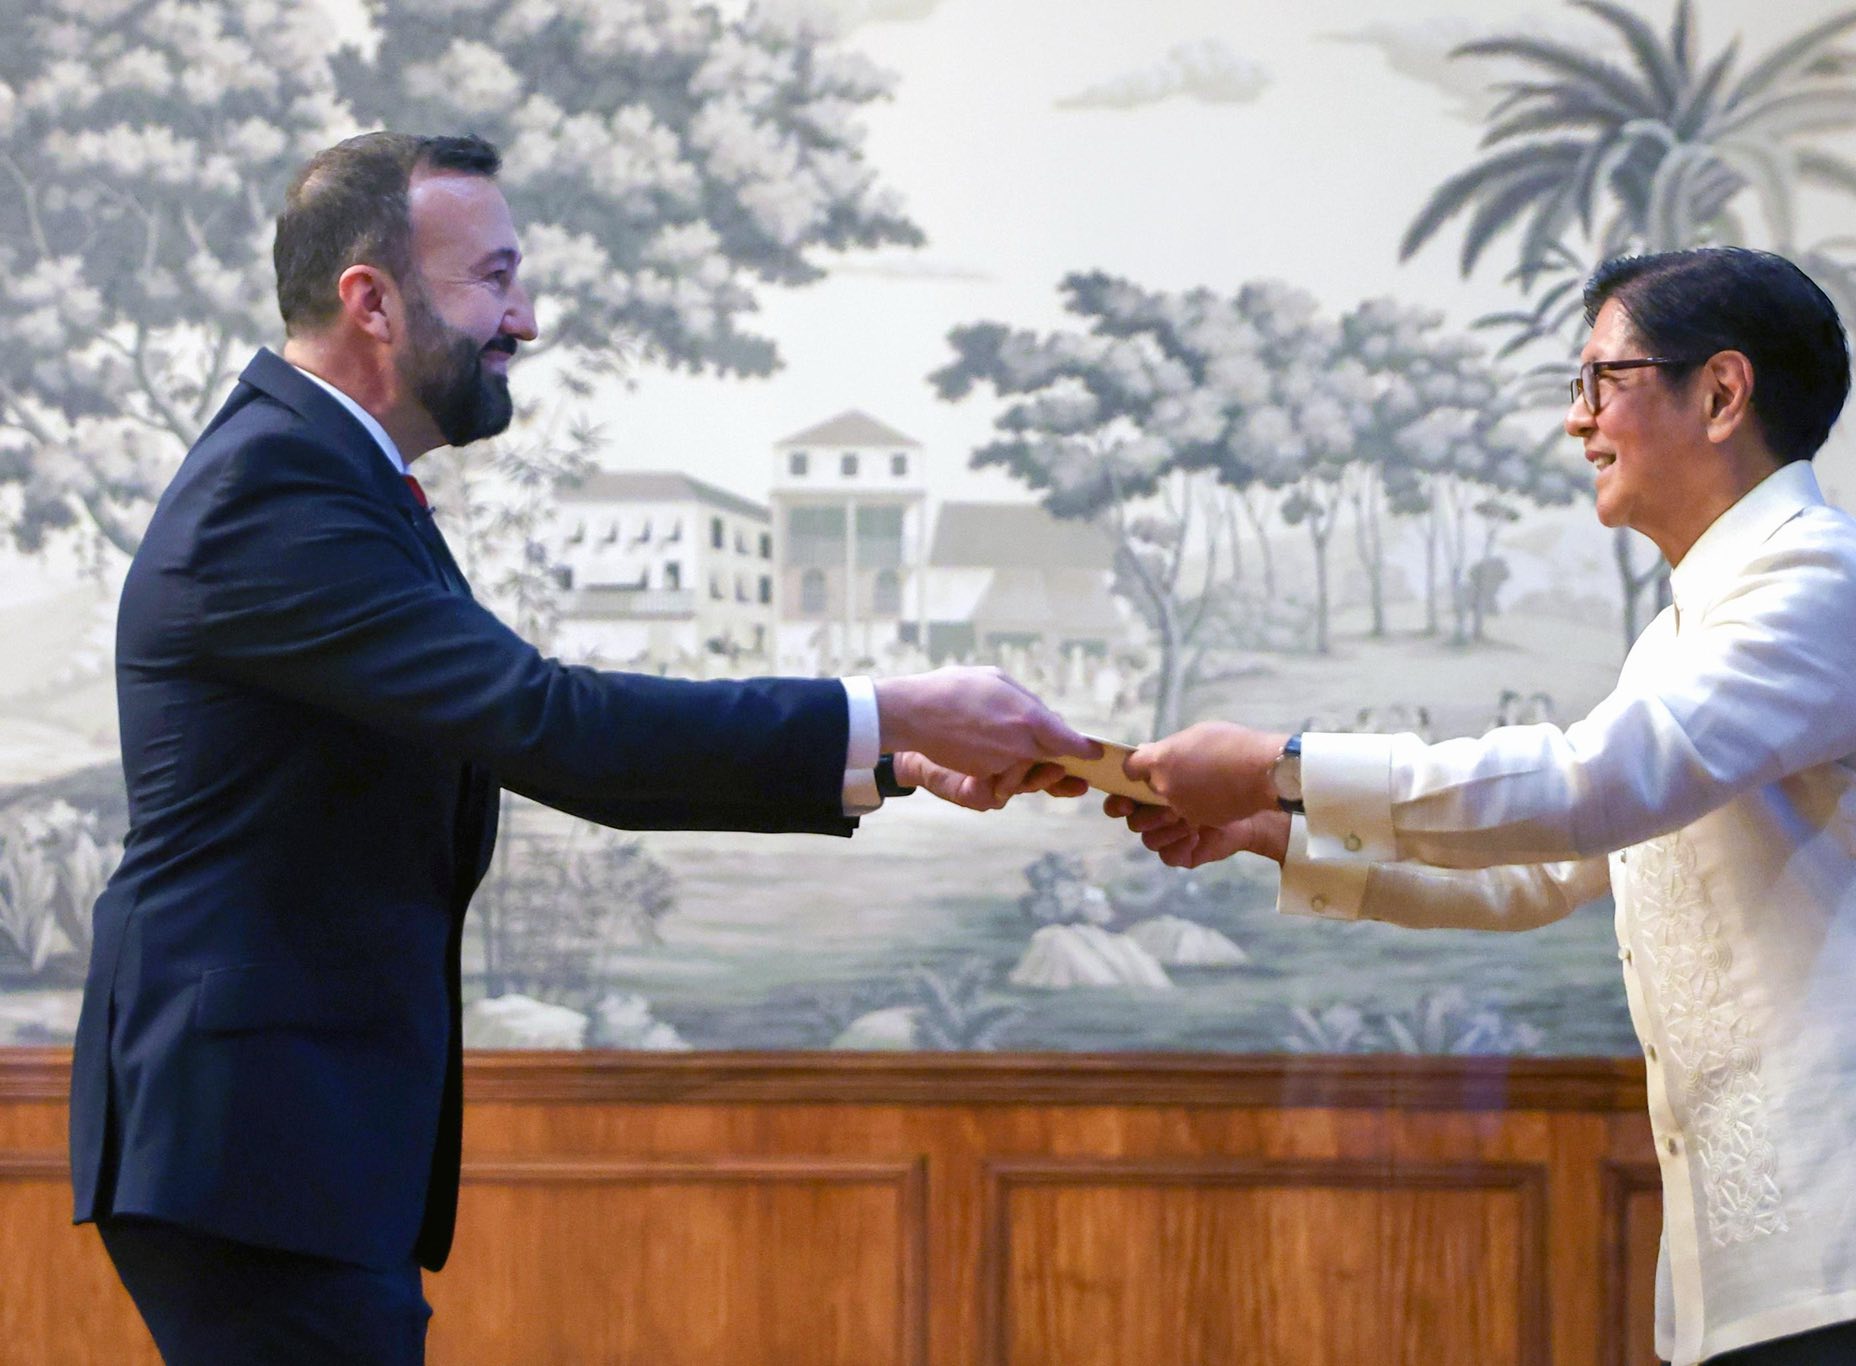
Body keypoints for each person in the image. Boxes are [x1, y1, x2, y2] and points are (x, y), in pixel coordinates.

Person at [67, 131, 1091, 1366]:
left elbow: (511, 729)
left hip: (275, 1131)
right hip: (250, 1136)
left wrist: (881, 758)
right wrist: (892, 709)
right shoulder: (276, 491)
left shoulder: (322, 473)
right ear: (371, 300)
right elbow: (552, 726)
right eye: (494, 279)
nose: (526, 319)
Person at [1111, 247, 1856, 1365]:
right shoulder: (1680, 633)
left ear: (1721, 393)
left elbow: (1585, 788)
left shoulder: (1820, 578)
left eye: (1602, 379)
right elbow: (1541, 873)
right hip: (1791, 1256)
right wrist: (1271, 828)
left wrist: (1281, 763)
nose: (1577, 420)